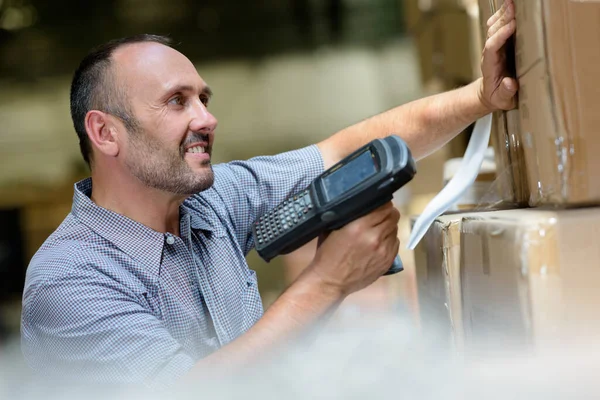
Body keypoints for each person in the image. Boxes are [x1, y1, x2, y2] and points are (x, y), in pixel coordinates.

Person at [20, 0, 517, 391]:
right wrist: (327, 283)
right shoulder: (68, 279)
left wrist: (481, 97)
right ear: (105, 134)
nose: (207, 119)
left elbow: (345, 149)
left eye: (204, 99)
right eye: (177, 101)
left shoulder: (211, 202)